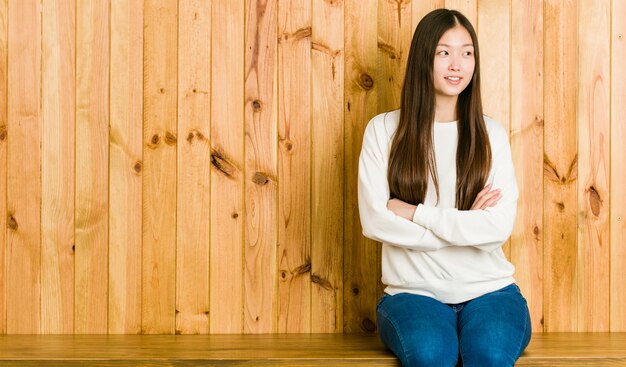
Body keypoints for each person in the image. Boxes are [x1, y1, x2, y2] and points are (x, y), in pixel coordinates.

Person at [357, 8, 531, 367]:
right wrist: (465, 226)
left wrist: (416, 213)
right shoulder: (383, 130)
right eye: (444, 52)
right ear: (424, 57)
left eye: (467, 52)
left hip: (491, 291)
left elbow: (497, 230)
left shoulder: (491, 134)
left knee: (490, 356)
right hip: (411, 294)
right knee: (431, 355)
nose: (457, 64)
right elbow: (375, 221)